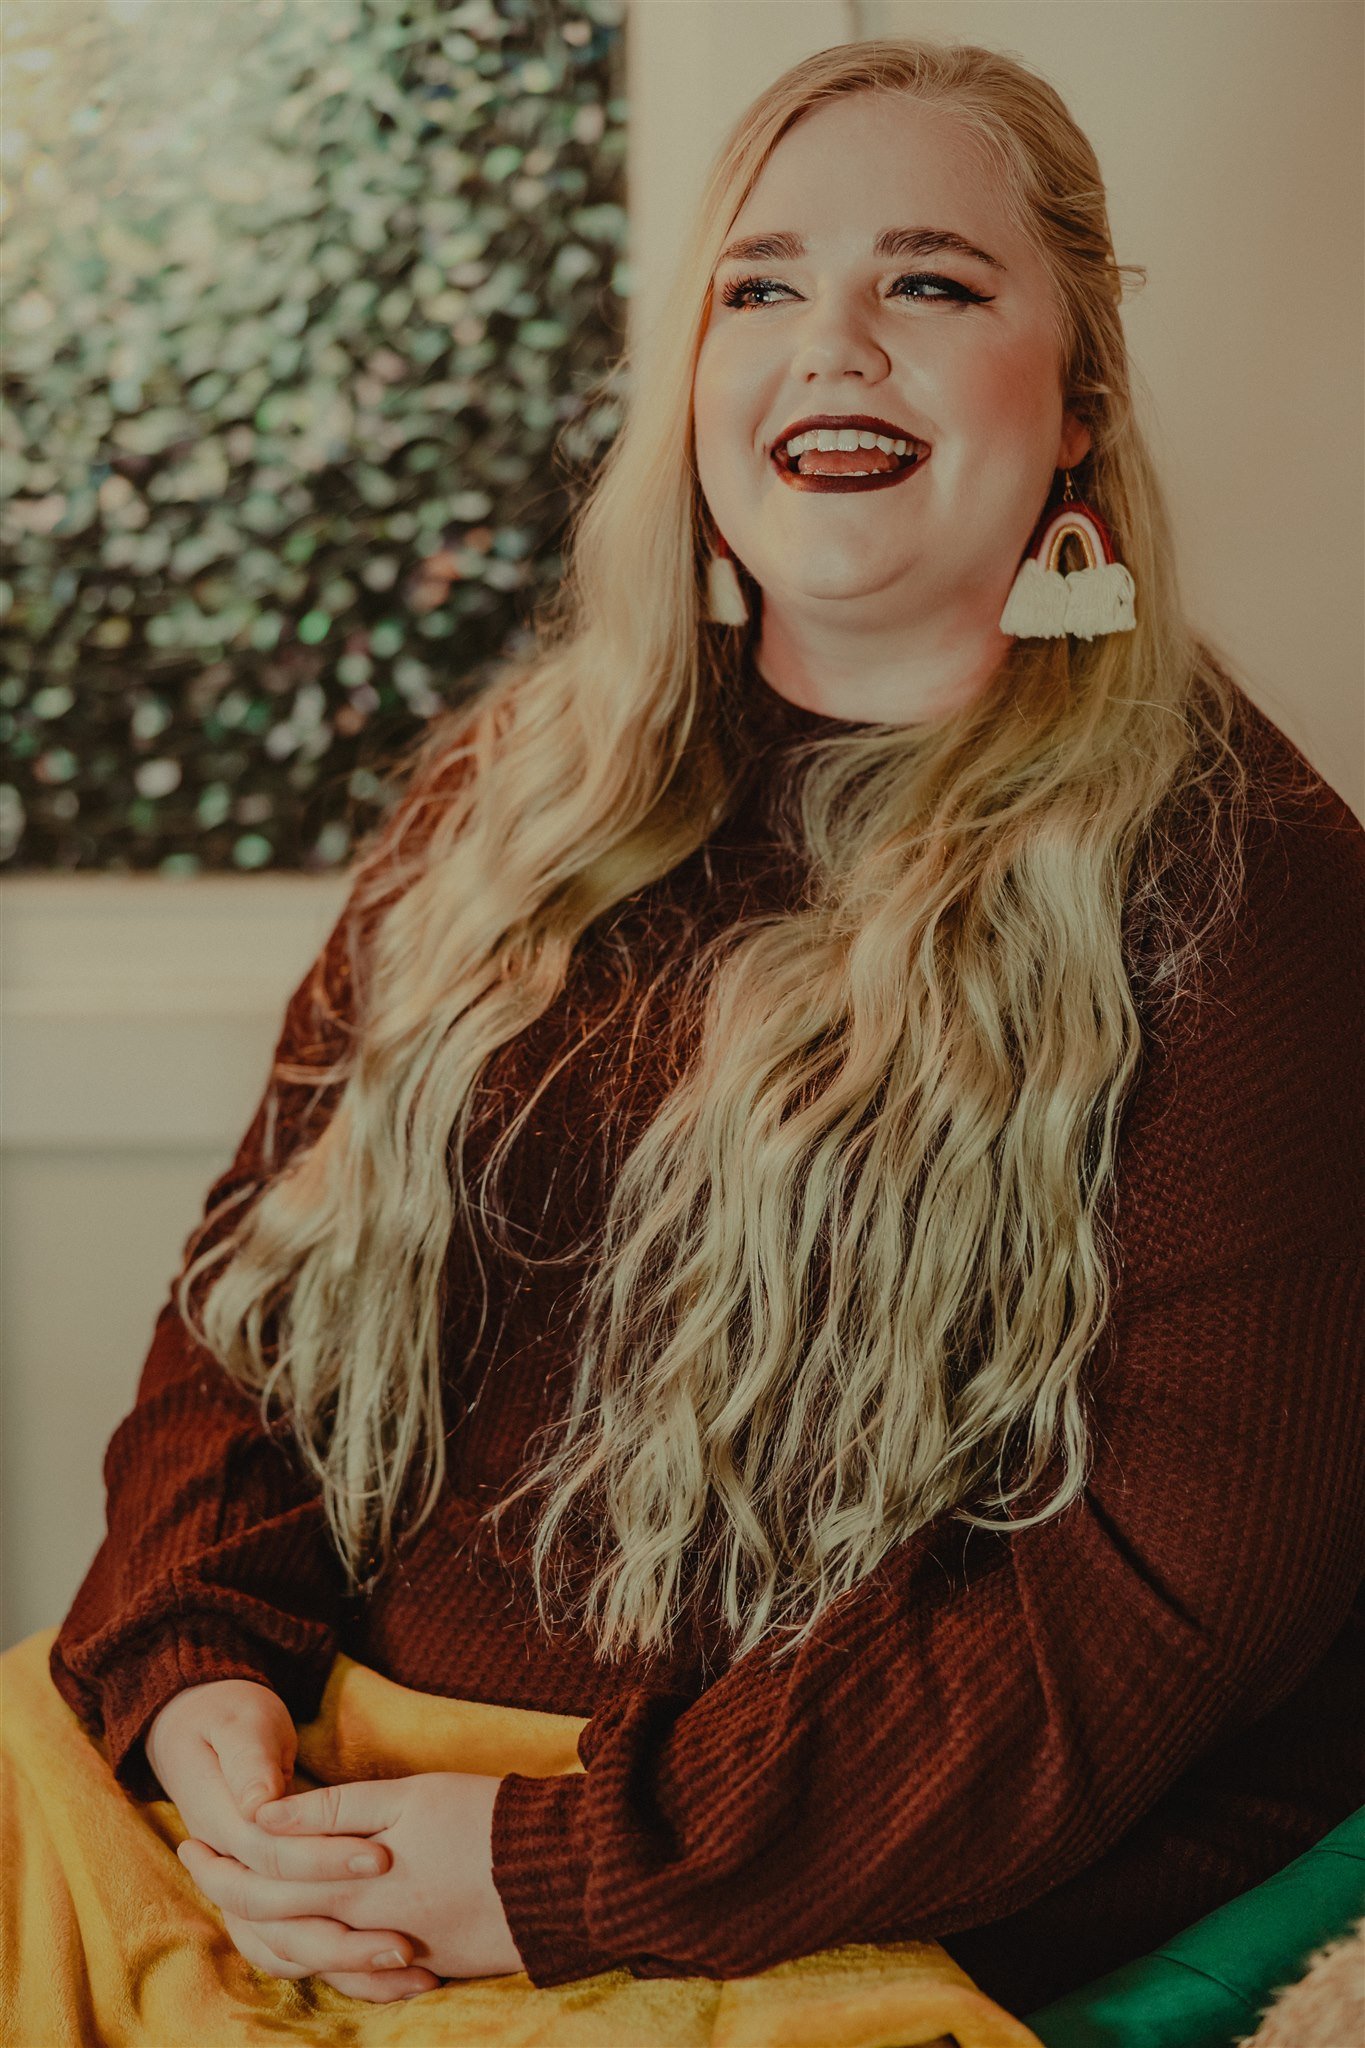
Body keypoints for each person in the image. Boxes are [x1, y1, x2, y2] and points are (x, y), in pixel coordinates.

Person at [48, 36, 1364, 2020]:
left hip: (828, 1901)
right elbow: (256, 1312)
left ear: (1074, 393)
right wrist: (197, 1678)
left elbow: (1151, 1609)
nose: (829, 342)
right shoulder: (513, 798)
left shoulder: (1240, 875)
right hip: (341, 1805)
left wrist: (550, 1875)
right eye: (758, 286)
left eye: (927, 282)